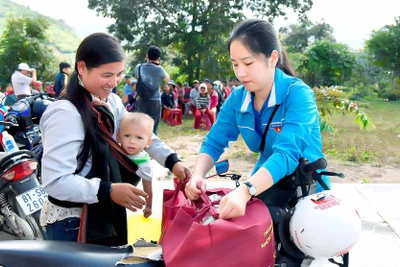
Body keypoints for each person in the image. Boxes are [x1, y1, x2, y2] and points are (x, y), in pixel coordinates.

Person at [39, 33, 191, 246]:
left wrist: (172, 161)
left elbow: (141, 133)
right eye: (107, 74)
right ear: (82, 68)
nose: (114, 82)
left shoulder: (109, 101)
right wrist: (107, 190)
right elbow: (56, 181)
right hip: (73, 222)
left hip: (100, 213)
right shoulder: (66, 112)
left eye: (119, 74)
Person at [185, 19, 330, 220]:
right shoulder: (237, 98)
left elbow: (287, 154)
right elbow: (213, 142)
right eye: (235, 64)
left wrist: (246, 190)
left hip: (305, 189)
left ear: (272, 58)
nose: (240, 72)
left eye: (248, 63)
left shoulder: (298, 95)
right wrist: (198, 176)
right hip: (265, 185)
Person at [117, 112, 155, 218]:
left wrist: (149, 205)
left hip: (122, 197)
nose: (132, 141)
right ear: (118, 137)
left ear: (148, 142)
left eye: (139, 138)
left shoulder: (143, 162)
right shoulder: (115, 149)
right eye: (127, 135)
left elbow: (147, 187)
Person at [135, 45, 170, 135]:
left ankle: (140, 145)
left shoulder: (138, 67)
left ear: (147, 56)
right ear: (158, 58)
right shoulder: (159, 69)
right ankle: (152, 144)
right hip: (155, 101)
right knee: (153, 126)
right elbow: (167, 79)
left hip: (141, 99)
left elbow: (137, 78)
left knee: (140, 125)